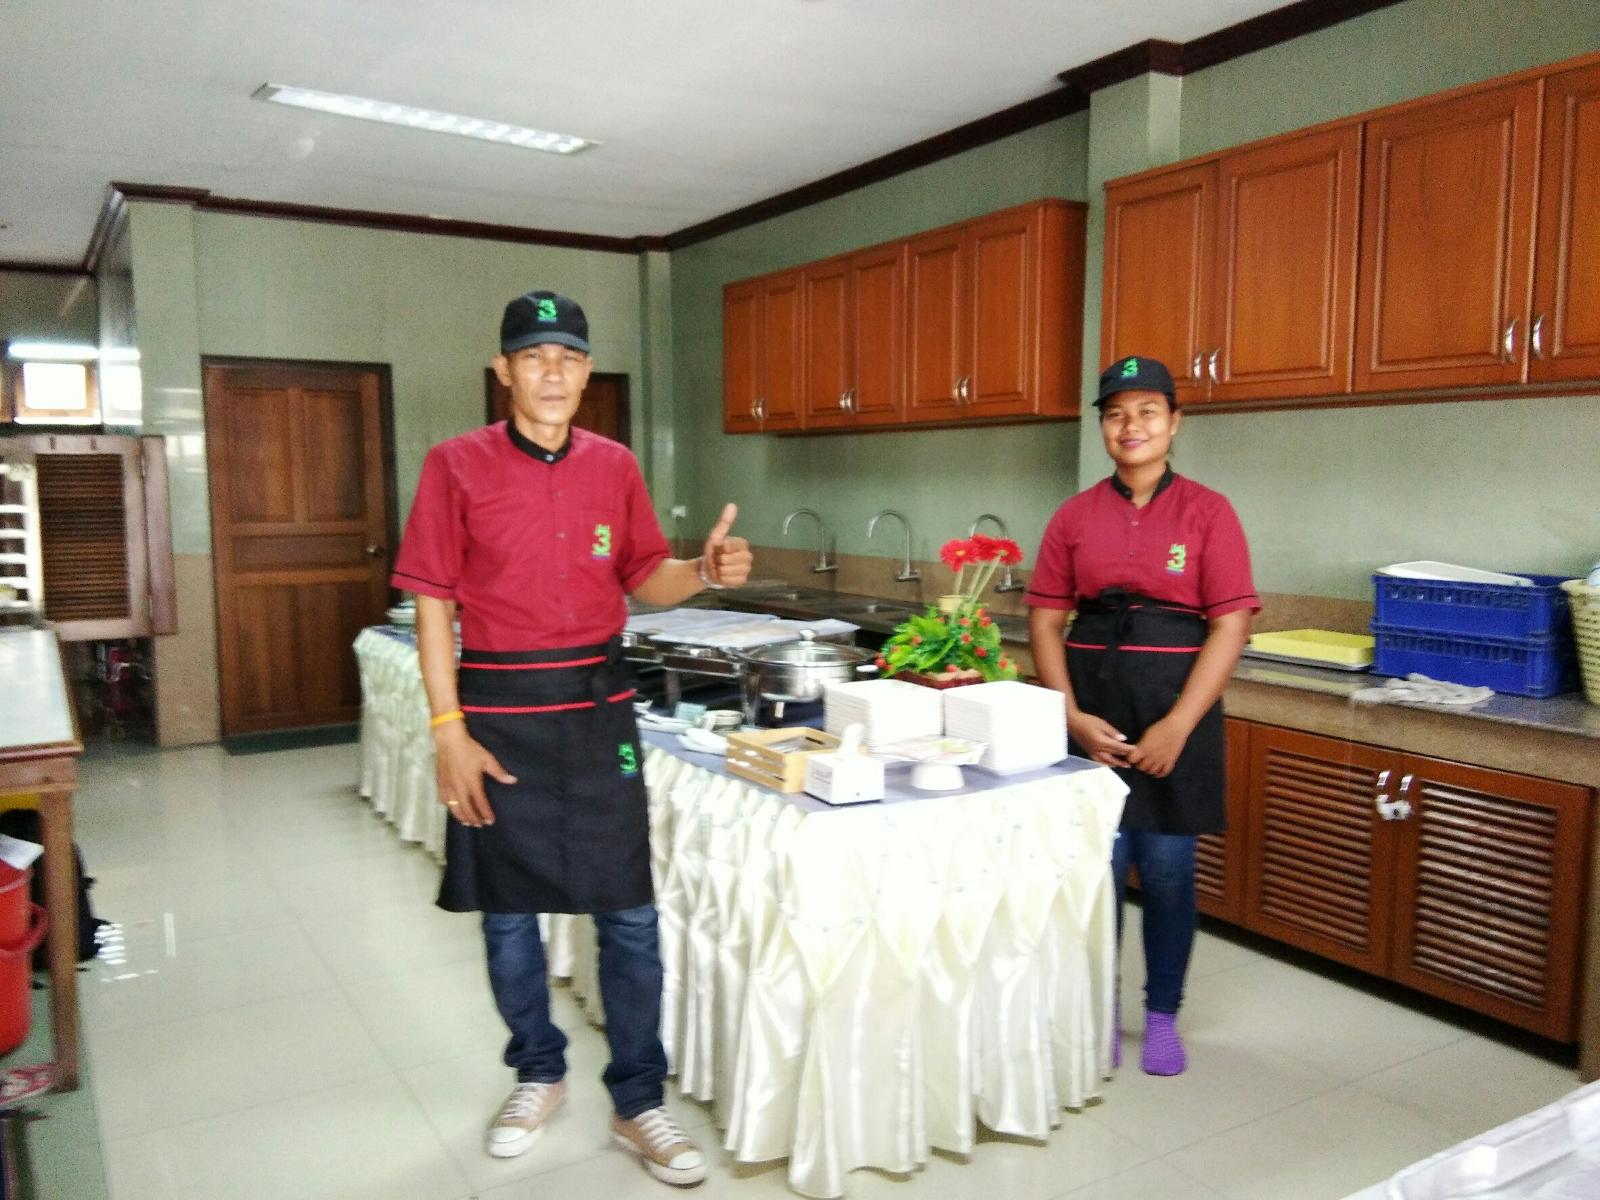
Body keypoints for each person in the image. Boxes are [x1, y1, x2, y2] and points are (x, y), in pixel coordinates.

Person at [391, 289, 752, 1186]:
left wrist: (702, 571)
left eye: (569, 358)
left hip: (597, 712)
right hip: (498, 713)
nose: (553, 373)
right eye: (534, 356)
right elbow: (432, 604)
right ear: (503, 370)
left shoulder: (614, 466)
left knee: (628, 914)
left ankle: (638, 1100)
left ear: (587, 374)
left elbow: (645, 575)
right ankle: (537, 1071)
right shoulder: (454, 465)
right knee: (508, 913)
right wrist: (448, 730)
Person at [1025, 356, 1257, 1077]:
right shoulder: (1073, 516)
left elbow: (1231, 624)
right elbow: (1045, 621)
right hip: (1091, 713)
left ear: (1174, 422)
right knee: (1095, 872)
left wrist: (1179, 726)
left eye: (1147, 411)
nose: (1131, 426)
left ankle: (1161, 1016)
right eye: (1116, 413)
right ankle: (1097, 1012)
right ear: (1103, 426)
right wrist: (1070, 715)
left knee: (1165, 870)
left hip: (1173, 717)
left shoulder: (1209, 512)